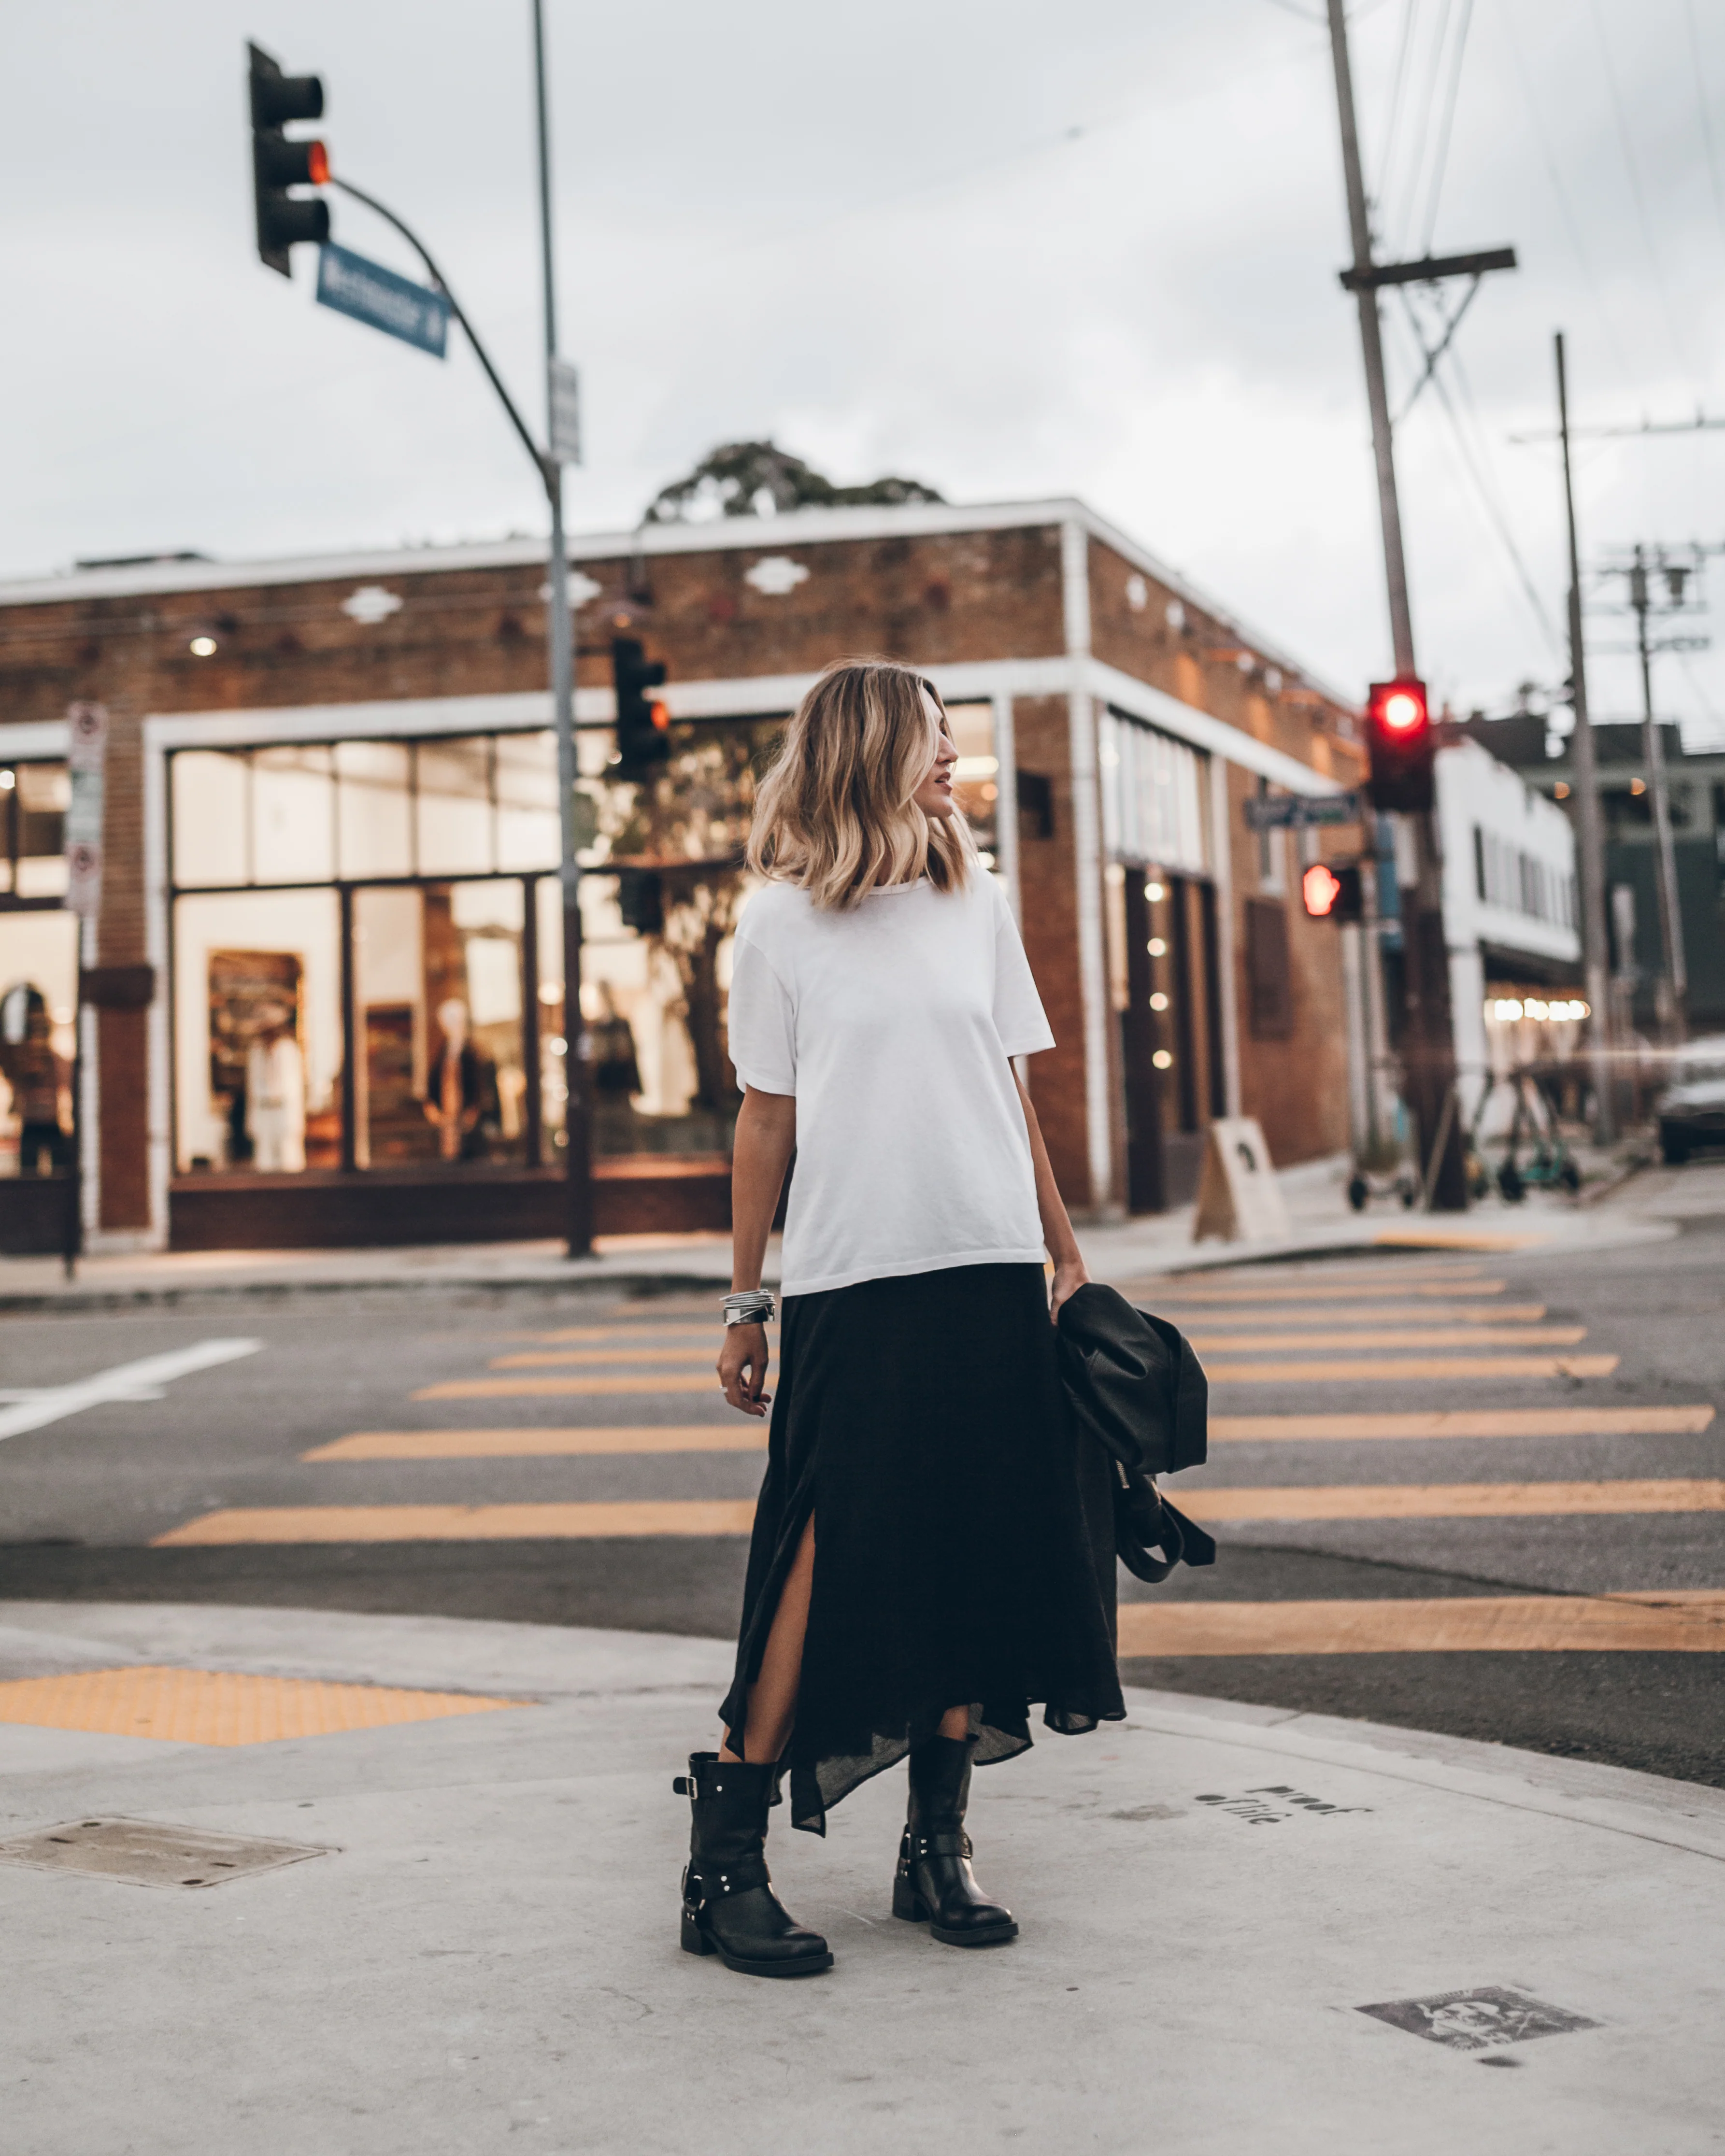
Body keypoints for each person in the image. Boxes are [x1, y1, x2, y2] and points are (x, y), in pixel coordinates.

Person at [675, 659, 1122, 1982]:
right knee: (819, 1549)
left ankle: (938, 1848)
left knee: (972, 1545)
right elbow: (767, 1116)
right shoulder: (775, 925)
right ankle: (724, 1867)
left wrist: (1065, 1256)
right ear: (871, 750)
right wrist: (746, 1297)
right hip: (854, 1276)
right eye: (936, 740)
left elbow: (1007, 1084)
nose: (955, 763)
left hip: (987, 1261)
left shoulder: (970, 898)